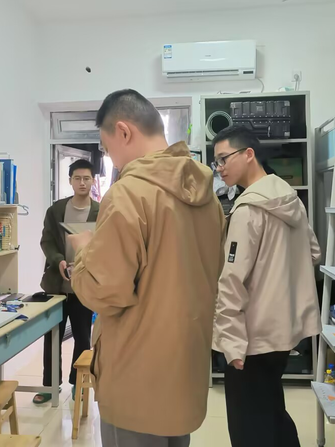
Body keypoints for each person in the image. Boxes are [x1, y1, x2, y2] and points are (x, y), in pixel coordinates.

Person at [68, 89, 225, 447]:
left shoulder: (129, 194)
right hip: (184, 373)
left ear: (124, 132)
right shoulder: (206, 196)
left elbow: (105, 293)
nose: (112, 160)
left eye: (108, 149)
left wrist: (85, 251)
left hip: (135, 379)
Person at [211, 125, 321, 447]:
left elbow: (232, 281)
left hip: (252, 338)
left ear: (249, 154)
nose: (219, 168)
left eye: (224, 158)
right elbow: (314, 252)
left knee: (249, 426)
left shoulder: (247, 210)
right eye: (216, 162)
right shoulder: (290, 198)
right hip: (285, 331)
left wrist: (231, 344)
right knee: (271, 408)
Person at [33, 159, 100, 404]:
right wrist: (59, 260)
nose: (82, 183)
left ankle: (77, 384)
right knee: (52, 337)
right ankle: (50, 386)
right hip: (56, 287)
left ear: (93, 181)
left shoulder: (101, 210)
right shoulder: (57, 210)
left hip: (84, 286)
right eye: (77, 178)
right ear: (70, 180)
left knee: (82, 337)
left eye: (87, 178)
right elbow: (47, 241)